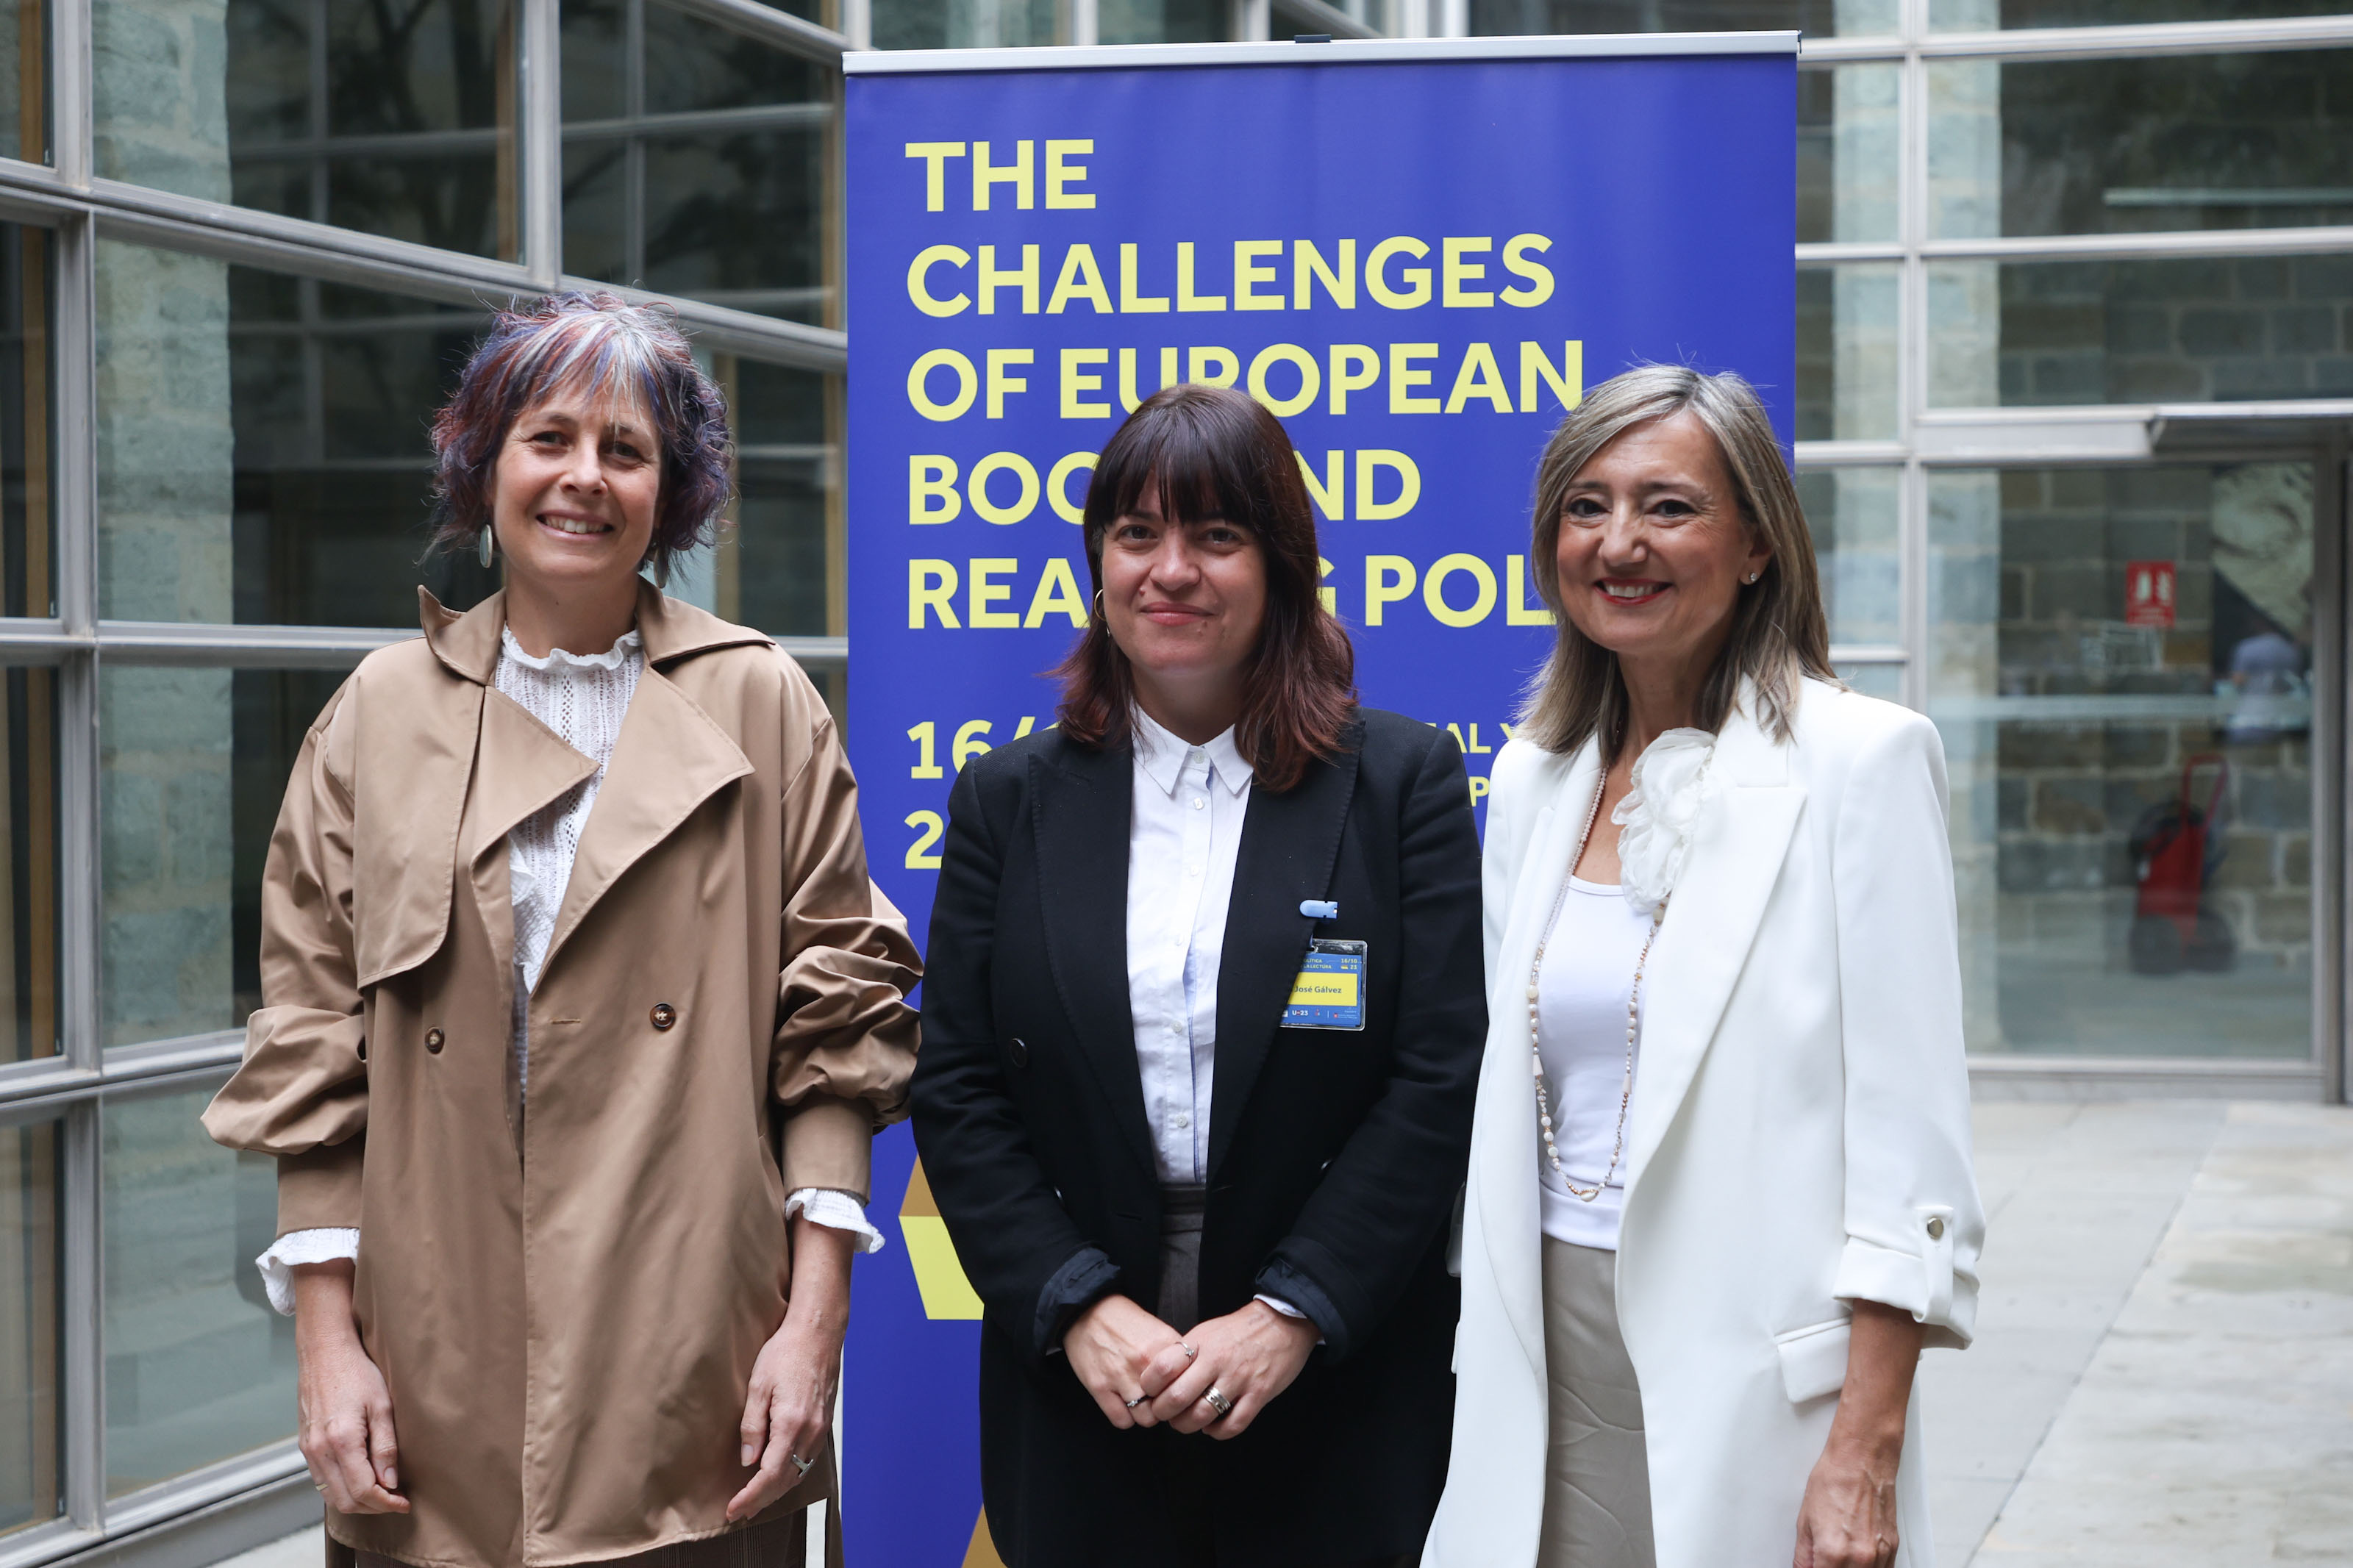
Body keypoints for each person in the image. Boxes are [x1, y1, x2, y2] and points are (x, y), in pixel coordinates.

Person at [201, 293, 919, 1568]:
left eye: (626, 449)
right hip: (431, 1377)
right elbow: (312, 1041)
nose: (585, 476)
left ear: (670, 494)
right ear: (486, 466)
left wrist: (815, 1328)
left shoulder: (762, 701)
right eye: (549, 438)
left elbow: (839, 1031)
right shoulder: (376, 713)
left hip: (699, 1373)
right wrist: (325, 1343)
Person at [910, 384, 1485, 1568]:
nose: (1171, 571)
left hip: (1334, 1380)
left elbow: (1437, 1078)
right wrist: (1076, 1305)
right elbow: (959, 1086)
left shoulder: (1401, 783)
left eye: (1216, 535)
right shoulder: (1006, 800)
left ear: (1280, 566)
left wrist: (1291, 1311)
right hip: (1086, 1385)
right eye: (1137, 534)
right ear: (1098, 565)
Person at [1423, 365, 1984, 1568]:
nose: (1620, 542)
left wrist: (1866, 1446)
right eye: (1586, 507)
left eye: (1669, 506)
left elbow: (1912, 1152)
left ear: (1757, 545)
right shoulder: (1531, 778)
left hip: (1759, 1393)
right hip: (1538, 1360)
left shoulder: (1864, 762)